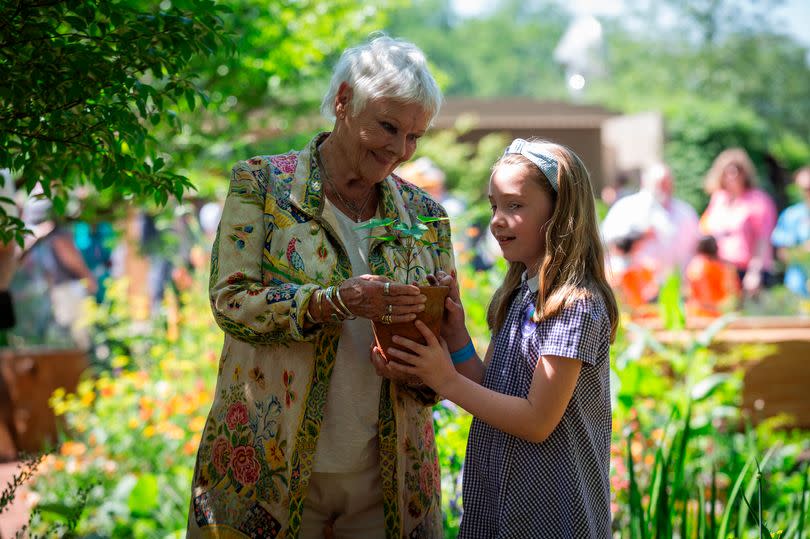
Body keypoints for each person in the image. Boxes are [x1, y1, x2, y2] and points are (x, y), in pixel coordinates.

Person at [188, 35, 452, 539]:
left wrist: (437, 338)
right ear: (343, 101)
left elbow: (436, 350)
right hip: (269, 466)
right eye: (388, 127)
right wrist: (332, 302)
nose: (399, 150)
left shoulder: (426, 215)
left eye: (415, 136)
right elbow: (230, 300)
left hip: (389, 473)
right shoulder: (262, 186)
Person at [379, 138, 619, 537]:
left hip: (551, 513)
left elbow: (537, 421)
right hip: (503, 505)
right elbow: (492, 390)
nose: (496, 219)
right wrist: (456, 338)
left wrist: (445, 381)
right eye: (494, 205)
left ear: (560, 212)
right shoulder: (520, 295)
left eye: (514, 205)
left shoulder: (575, 306)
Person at [601, 162, 700, 285]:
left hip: (676, 285)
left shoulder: (685, 211)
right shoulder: (625, 208)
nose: (664, 187)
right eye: (660, 183)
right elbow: (608, 243)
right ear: (645, 183)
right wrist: (640, 237)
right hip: (635, 285)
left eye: (667, 182)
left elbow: (696, 246)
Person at [699, 148, 777, 296]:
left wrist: (754, 272)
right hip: (722, 270)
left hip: (748, 270)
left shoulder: (758, 200)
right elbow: (708, 230)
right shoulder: (718, 199)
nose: (731, 176)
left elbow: (762, 239)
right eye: (727, 172)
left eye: (736, 171)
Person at [771, 166, 810, 297]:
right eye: (806, 189)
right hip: (798, 287)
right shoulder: (791, 215)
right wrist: (803, 251)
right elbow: (782, 254)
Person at [684, 235, 741, 318]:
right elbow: (733, 294)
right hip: (717, 315)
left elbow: (688, 293)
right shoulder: (725, 267)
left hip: (697, 314)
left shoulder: (694, 266)